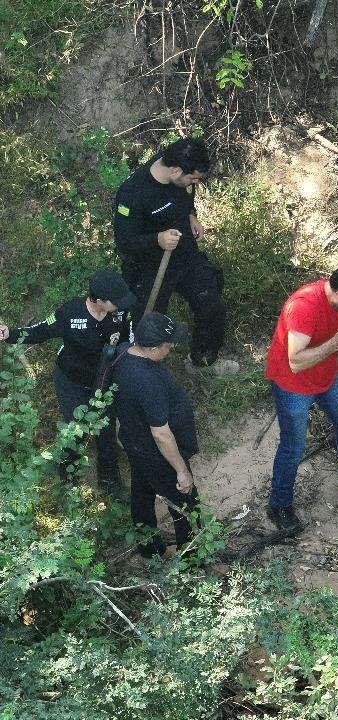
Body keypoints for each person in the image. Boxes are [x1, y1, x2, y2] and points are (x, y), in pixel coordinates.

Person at [264, 262, 338, 531]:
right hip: (292, 385)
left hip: (328, 377)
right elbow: (295, 361)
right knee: (293, 446)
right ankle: (279, 506)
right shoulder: (304, 306)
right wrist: (333, 344)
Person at [0, 270, 136, 494]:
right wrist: (10, 335)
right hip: (72, 382)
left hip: (104, 381)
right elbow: (40, 330)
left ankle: (109, 480)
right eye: (116, 301)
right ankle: (68, 478)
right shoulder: (70, 313)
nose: (122, 304)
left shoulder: (121, 312)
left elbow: (128, 341)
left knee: (106, 430)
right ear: (99, 300)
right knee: (76, 431)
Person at [113, 137, 238, 375]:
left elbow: (186, 198)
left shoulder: (180, 175)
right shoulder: (133, 194)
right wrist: (157, 239)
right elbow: (124, 242)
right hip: (150, 269)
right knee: (148, 325)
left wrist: (191, 216)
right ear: (175, 171)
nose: (195, 183)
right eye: (193, 178)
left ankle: (202, 361)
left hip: (186, 256)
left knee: (211, 304)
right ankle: (142, 375)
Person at [111, 312, 201, 558]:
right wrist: (181, 471)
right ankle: (192, 560)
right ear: (152, 347)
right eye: (168, 344)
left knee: (142, 494)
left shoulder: (123, 353)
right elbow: (161, 434)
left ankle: (149, 549)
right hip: (157, 453)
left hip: (134, 442)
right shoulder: (148, 381)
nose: (171, 347)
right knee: (186, 504)